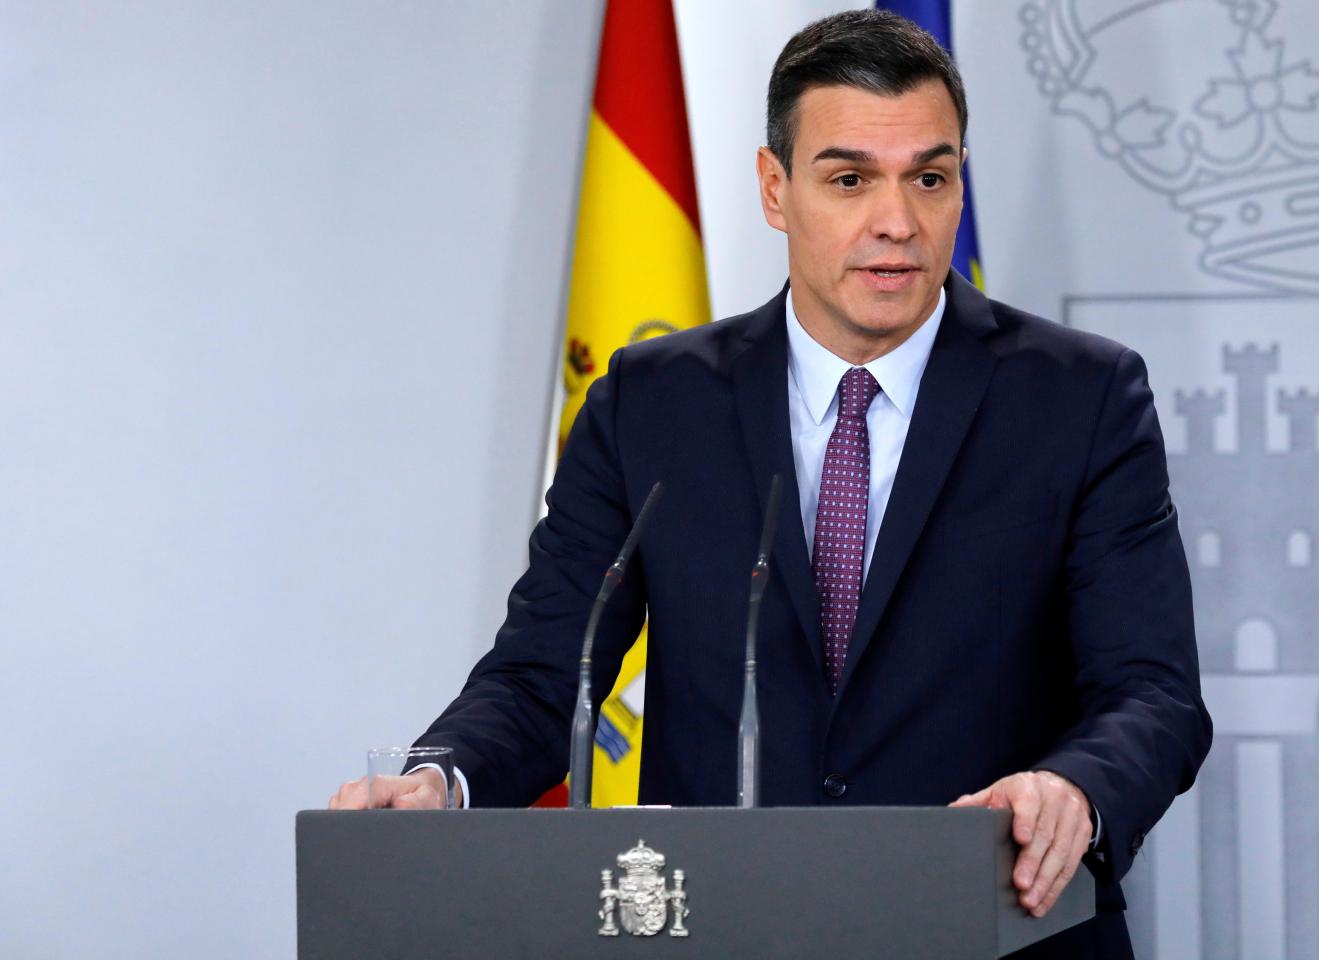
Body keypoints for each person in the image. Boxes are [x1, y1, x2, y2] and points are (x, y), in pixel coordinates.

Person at [328, 10, 1211, 958]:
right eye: (849, 179)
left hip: (997, 929)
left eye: (930, 176)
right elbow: (548, 672)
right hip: (726, 933)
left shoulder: (1079, 396)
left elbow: (1153, 694)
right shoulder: (651, 402)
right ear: (774, 188)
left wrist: (1072, 787)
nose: (898, 222)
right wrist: (443, 778)